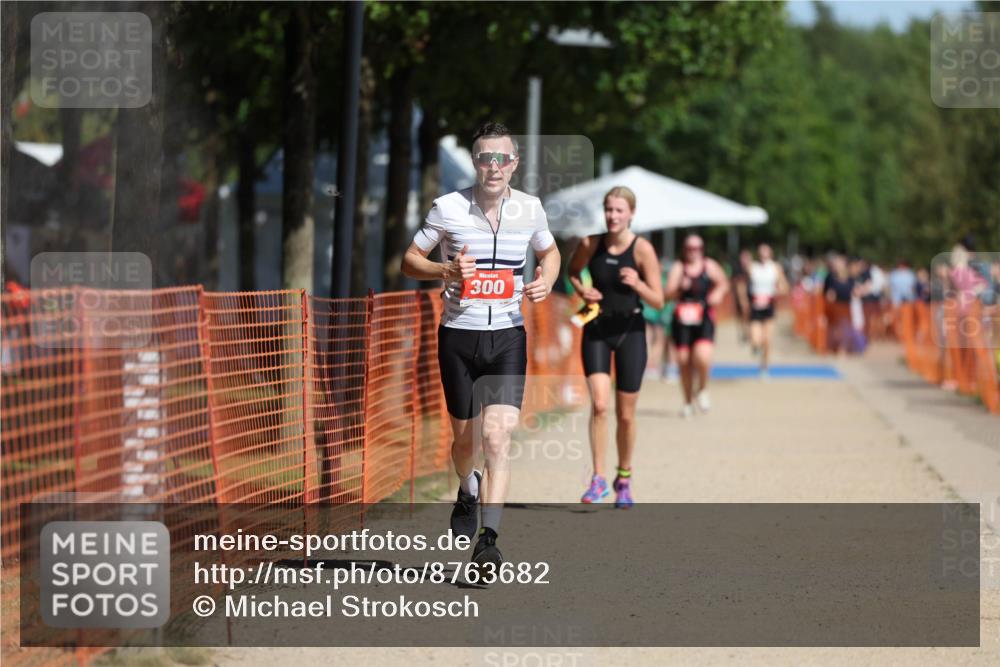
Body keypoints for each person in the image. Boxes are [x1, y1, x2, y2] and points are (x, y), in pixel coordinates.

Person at [400, 121, 560, 572]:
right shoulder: (448, 208)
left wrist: (546, 279)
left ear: (514, 163)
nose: (494, 166)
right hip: (458, 336)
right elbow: (410, 260)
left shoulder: (530, 209)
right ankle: (467, 488)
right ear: (475, 162)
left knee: (496, 437)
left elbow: (549, 253)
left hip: (508, 336)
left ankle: (488, 542)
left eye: (502, 158)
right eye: (485, 158)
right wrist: (445, 271)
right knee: (464, 442)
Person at [568, 187, 664, 508]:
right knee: (599, 404)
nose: (613, 216)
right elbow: (572, 273)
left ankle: (623, 476)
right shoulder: (589, 243)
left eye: (619, 210)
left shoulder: (642, 250)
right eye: (609, 209)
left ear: (631, 214)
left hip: (630, 331)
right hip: (596, 327)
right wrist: (583, 290)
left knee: (625, 415)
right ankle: (597, 479)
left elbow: (659, 301)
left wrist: (638, 284)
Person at [664, 235, 729, 418]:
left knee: (703, 356)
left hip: (703, 317)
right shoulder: (678, 268)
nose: (693, 251)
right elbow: (666, 294)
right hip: (682, 320)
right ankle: (687, 402)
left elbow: (724, 283)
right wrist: (678, 287)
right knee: (684, 362)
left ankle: (702, 388)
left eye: (697, 248)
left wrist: (717, 294)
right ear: (684, 250)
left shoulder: (709, 266)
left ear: (702, 249)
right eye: (690, 248)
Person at [748, 243, 788, 377]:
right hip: (755, 305)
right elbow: (743, 284)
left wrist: (779, 290)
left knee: (767, 340)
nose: (763, 256)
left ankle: (764, 368)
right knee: (755, 338)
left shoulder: (775, 268)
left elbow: (784, 286)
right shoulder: (752, 267)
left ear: (770, 254)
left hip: (769, 305)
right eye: (761, 253)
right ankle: (756, 347)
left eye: (766, 253)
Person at [731, 249, 753, 345]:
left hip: (752, 296)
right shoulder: (737, 269)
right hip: (741, 298)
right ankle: (745, 333)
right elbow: (737, 284)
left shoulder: (753, 268)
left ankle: (749, 333)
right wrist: (743, 301)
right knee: (742, 316)